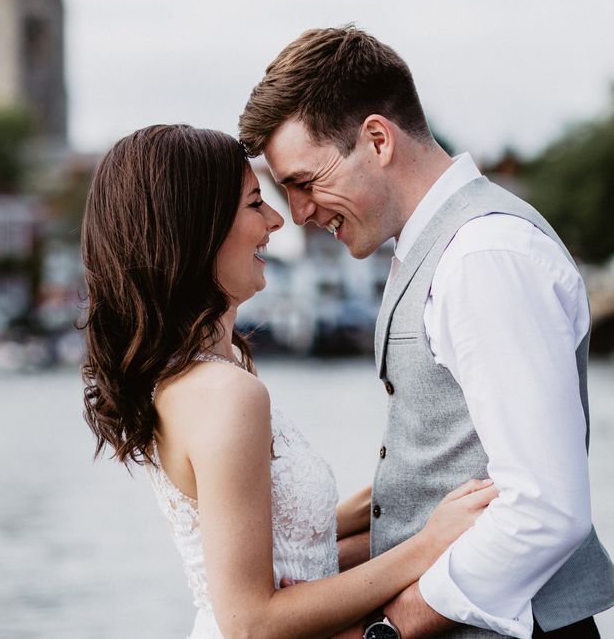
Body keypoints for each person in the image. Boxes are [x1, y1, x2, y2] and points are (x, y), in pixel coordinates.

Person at [238, 25, 614, 639]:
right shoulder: (434, 249)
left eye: (304, 182)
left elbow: (546, 508)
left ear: (377, 140)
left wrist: (389, 630)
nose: (297, 213)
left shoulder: (483, 257)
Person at [80, 124, 497, 638]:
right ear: (197, 229)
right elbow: (251, 623)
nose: (278, 220)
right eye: (256, 203)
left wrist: (399, 495)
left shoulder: (202, 371)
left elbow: (277, 537)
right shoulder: (226, 395)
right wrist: (427, 545)